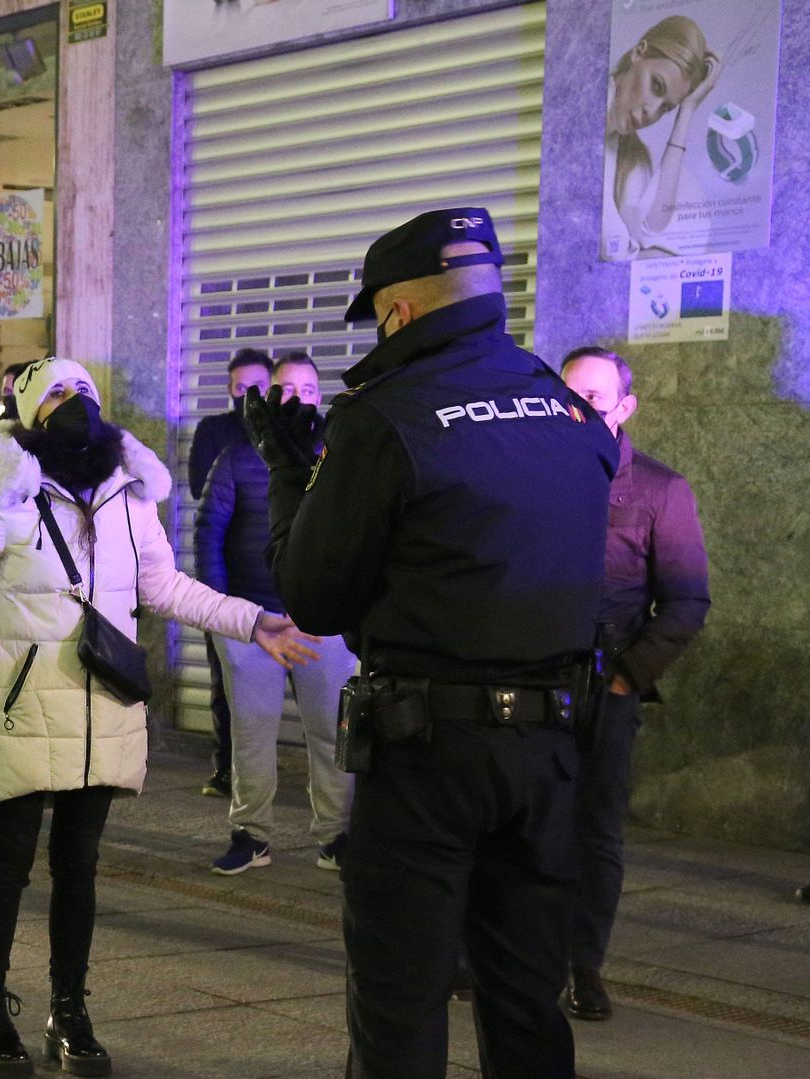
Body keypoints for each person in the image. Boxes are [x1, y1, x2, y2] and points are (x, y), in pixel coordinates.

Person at [0, 356, 319, 1078]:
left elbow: (165, 586)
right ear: (28, 413)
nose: (73, 401)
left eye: (82, 390)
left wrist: (253, 620)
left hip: (103, 707)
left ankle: (69, 1009)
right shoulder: (6, 494)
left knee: (79, 867)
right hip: (22, 706)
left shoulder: (128, 494)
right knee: (9, 863)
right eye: (56, 393)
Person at [244, 207, 617, 1079]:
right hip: (553, 751)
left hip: (427, 757)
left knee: (401, 1002)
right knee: (526, 1003)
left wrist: (294, 481)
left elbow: (314, 594)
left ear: (400, 314)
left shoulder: (389, 417)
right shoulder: (565, 407)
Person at [560, 345, 710, 1021]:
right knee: (510, 820)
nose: (578, 410)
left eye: (593, 398)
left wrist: (627, 678)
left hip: (606, 683)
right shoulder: (530, 475)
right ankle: (496, 950)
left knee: (595, 832)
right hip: (527, 677)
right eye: (568, 396)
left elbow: (686, 600)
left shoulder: (659, 489)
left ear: (624, 406)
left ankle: (582, 963)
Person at [196, 351, 356, 876]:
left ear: (320, 397)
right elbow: (208, 537)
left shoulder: (341, 457)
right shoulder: (236, 458)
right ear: (268, 397)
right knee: (251, 733)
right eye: (286, 390)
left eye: (308, 391)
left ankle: (337, 837)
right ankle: (250, 835)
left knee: (333, 733)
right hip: (251, 620)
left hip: (323, 622)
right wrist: (226, 615)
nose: (297, 400)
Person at [188, 347, 271, 798]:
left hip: (279, 586)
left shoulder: (290, 430)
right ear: (229, 389)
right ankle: (225, 769)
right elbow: (201, 485)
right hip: (227, 579)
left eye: (258, 388)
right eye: (241, 389)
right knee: (226, 681)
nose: (250, 397)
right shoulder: (214, 431)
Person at [602, 16, 720, 260]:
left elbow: (653, 228)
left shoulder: (629, 156)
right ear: (638, 52)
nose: (652, 111)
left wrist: (686, 111)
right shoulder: (573, 122)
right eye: (656, 86)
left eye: (666, 108)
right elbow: (615, 251)